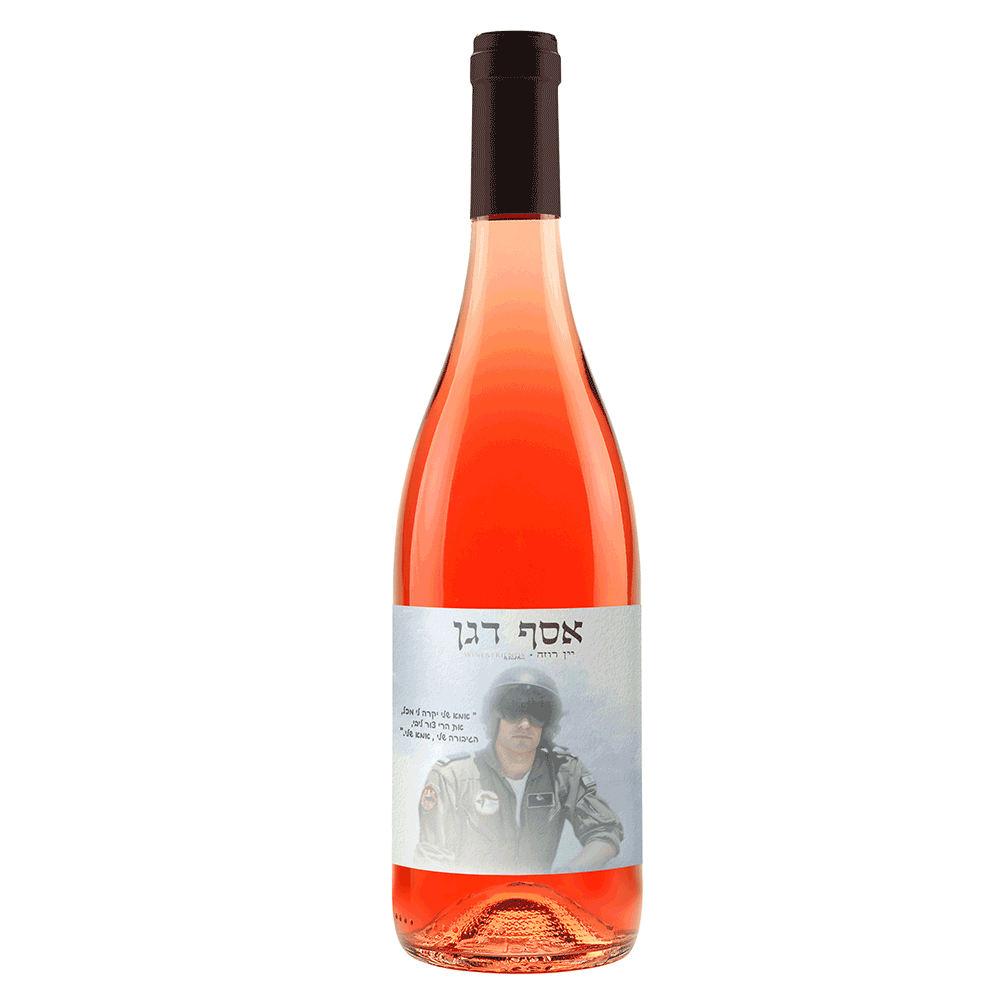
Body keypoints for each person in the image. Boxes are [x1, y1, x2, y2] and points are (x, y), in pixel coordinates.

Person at [413, 667, 624, 874]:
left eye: (537, 713)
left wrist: (569, 874)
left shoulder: (564, 772)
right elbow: (432, 859)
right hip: (470, 891)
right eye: (513, 710)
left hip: (539, 893)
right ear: (494, 718)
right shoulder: (452, 777)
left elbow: (605, 830)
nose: (524, 724)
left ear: (547, 723)